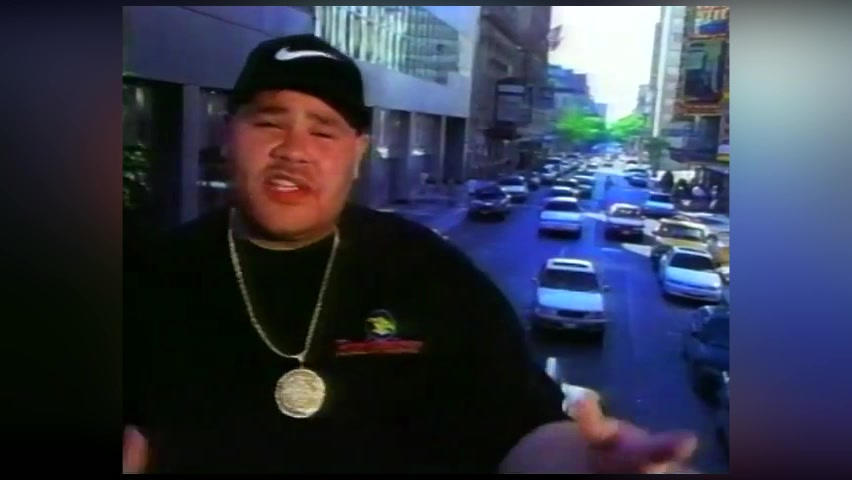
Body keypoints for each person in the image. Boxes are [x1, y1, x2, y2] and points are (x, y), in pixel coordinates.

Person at [124, 34, 698, 474]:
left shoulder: (430, 272)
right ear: (229, 136)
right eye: (269, 122)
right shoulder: (151, 276)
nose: (293, 150)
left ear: (357, 154)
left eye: (323, 131)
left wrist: (586, 462)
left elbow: (522, 430)